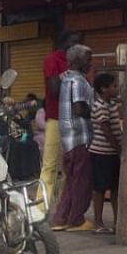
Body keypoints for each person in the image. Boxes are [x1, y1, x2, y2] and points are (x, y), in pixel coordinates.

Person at [52, 45, 95, 232]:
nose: (90, 63)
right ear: (77, 61)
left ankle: (61, 218)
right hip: (79, 135)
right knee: (81, 180)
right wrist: (96, 109)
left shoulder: (65, 78)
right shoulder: (77, 80)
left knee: (71, 179)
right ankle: (76, 219)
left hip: (67, 136)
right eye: (88, 59)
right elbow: (79, 108)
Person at [43, 31, 81, 207]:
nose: (77, 46)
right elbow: (54, 89)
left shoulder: (77, 62)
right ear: (64, 42)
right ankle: (40, 207)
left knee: (70, 167)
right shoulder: (53, 60)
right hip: (56, 118)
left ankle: (64, 208)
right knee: (49, 165)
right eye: (74, 42)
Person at [89, 73, 122, 234]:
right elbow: (107, 131)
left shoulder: (112, 104)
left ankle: (118, 221)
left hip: (112, 153)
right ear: (103, 89)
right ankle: (98, 222)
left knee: (115, 188)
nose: (116, 89)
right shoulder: (100, 106)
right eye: (114, 86)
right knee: (100, 189)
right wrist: (119, 148)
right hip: (101, 152)